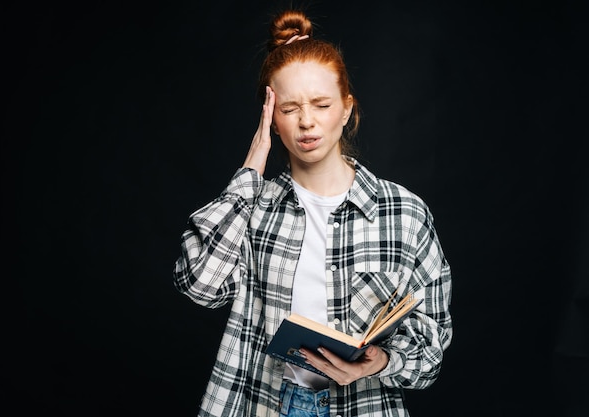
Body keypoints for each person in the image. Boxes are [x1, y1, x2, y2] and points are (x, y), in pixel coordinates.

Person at [172, 8, 452, 417]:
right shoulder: (256, 208)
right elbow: (200, 285)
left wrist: (384, 361)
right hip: (264, 403)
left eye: (321, 104)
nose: (307, 122)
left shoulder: (404, 214)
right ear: (271, 120)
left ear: (345, 108)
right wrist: (251, 169)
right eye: (289, 110)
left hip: (364, 406)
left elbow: (432, 344)